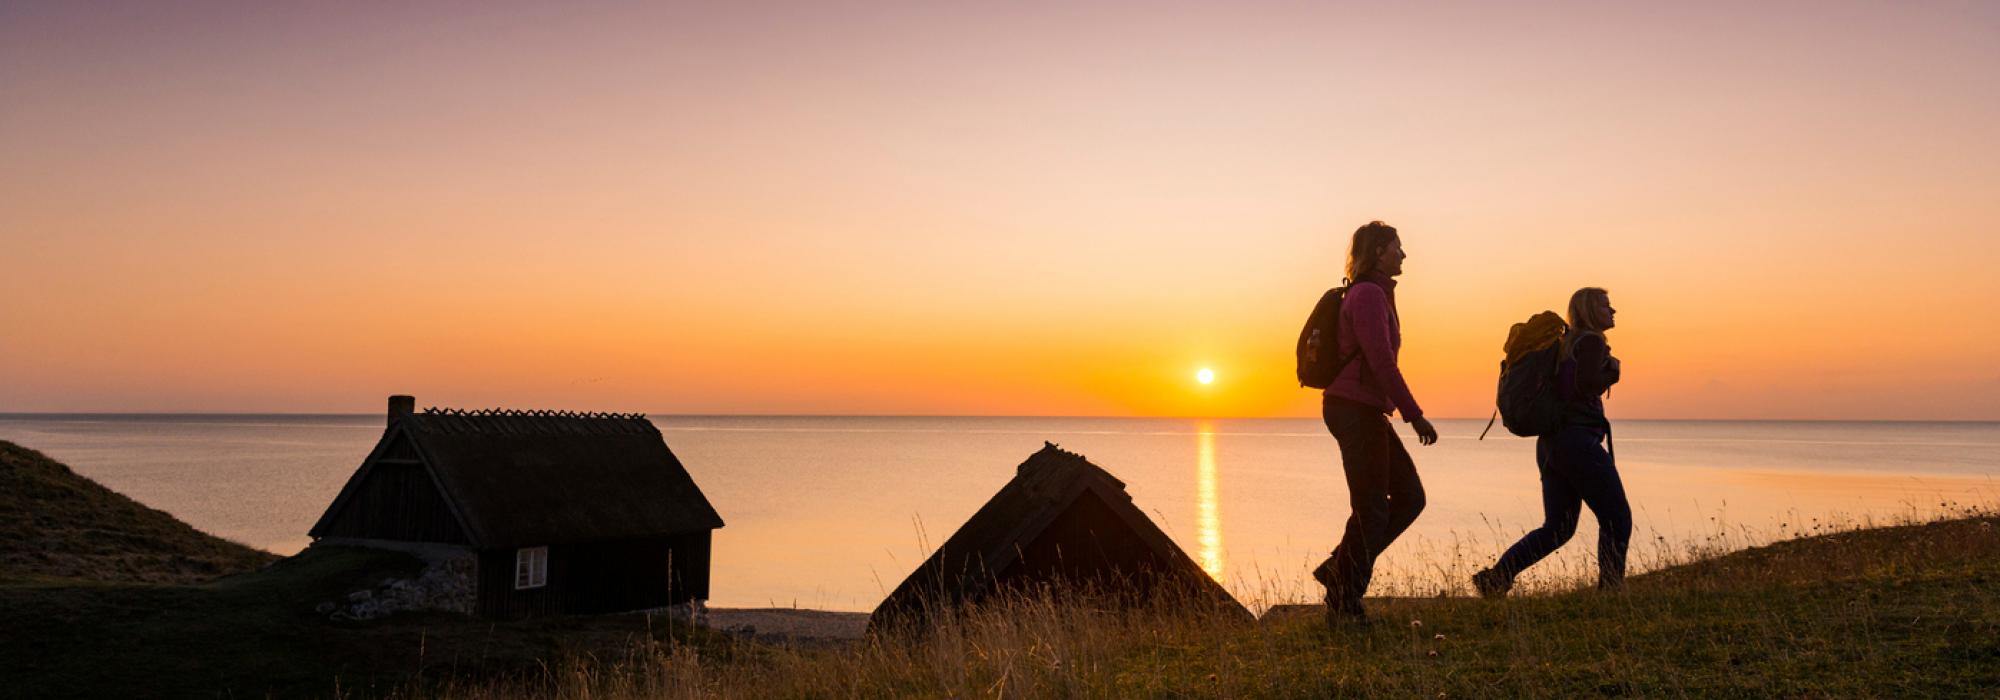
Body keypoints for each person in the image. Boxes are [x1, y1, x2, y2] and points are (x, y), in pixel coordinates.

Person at [1313, 220, 1439, 625]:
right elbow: (1381, 362)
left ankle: (1339, 571)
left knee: (1409, 498)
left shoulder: (1378, 294)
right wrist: (1414, 414)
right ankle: (1344, 600)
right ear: (1379, 252)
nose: (1404, 254)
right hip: (1353, 408)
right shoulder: (1368, 295)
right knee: (1371, 509)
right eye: (1397, 247)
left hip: (1364, 408)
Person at [1473, 287, 1629, 597]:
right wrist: (1612, 372)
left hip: (1551, 445)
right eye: (1605, 305)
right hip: (1577, 442)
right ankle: (1611, 593)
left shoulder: (1564, 344)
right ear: (1588, 310)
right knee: (1616, 517)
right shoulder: (1591, 342)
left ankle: (1496, 578)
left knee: (1558, 527)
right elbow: (1586, 385)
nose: (1613, 311)